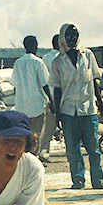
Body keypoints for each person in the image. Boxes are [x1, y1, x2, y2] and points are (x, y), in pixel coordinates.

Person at [49, 23, 103, 189]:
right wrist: (58, 113)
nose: (71, 38)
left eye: (74, 35)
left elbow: (94, 80)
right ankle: (78, 180)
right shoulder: (57, 63)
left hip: (88, 110)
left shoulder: (88, 55)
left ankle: (98, 180)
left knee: (94, 148)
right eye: (68, 35)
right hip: (68, 111)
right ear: (62, 37)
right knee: (73, 150)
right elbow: (57, 89)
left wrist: (100, 101)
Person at [11, 36, 53, 153]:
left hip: (21, 106)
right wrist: (52, 100)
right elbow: (45, 84)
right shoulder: (38, 62)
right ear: (35, 45)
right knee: (36, 135)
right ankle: (34, 157)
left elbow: (15, 85)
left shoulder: (18, 63)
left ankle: (24, 156)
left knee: (24, 135)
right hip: (36, 105)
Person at [39, 34, 61, 163]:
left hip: (49, 98)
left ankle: (43, 152)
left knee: (48, 128)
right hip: (61, 98)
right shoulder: (62, 58)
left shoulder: (45, 58)